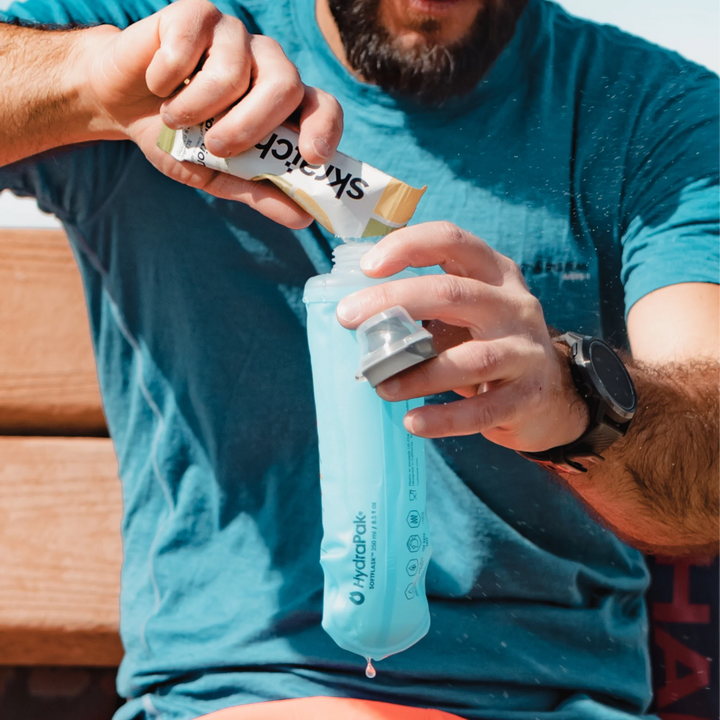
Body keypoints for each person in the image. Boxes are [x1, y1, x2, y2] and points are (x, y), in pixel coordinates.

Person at [1, 0, 720, 718]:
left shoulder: (652, 112)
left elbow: (708, 470)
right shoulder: (162, 42)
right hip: (230, 690)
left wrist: (574, 400)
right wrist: (86, 80)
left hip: (557, 697)